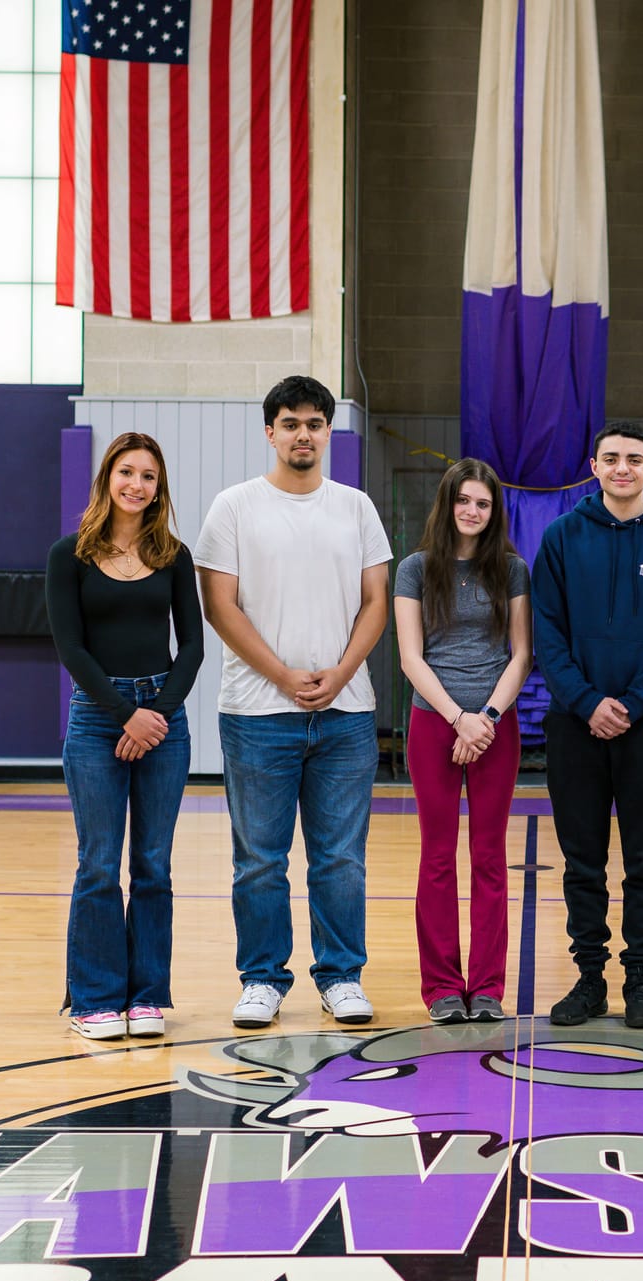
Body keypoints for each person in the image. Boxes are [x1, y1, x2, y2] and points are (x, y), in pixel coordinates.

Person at [196, 376, 391, 1029]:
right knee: (259, 858)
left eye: (314, 422)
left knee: (340, 856)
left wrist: (340, 673)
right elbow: (218, 605)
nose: (302, 433)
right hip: (256, 714)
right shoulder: (233, 507)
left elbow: (376, 601)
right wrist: (283, 674)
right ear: (270, 431)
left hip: (345, 711)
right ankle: (261, 979)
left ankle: (341, 977)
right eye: (290, 422)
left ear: (327, 432)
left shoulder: (356, 507)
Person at [533, 421, 643, 1028]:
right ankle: (587, 980)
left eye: (634, 459)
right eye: (611, 458)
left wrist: (631, 703)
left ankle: (639, 980)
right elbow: (546, 635)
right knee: (582, 861)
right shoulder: (560, 538)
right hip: (575, 726)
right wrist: (586, 702)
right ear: (594, 465)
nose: (622, 468)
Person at [46, 431, 203, 1041]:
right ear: (107, 478)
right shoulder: (71, 556)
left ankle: (146, 996)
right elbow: (71, 648)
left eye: (149, 477)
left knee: (154, 866)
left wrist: (157, 713)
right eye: (127, 472)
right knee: (97, 865)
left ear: (159, 489)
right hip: (97, 719)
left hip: (163, 719)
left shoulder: (173, 555)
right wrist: (125, 714)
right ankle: (93, 999)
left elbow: (191, 644)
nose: (137, 485)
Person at [395, 459, 532, 1023]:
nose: (472, 511)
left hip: (496, 728)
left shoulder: (513, 570)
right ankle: (443, 988)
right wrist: (459, 720)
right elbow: (409, 656)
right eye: (464, 500)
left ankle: (489, 987)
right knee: (436, 857)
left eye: (483, 503)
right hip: (435, 723)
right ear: (447, 503)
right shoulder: (415, 569)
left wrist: (489, 718)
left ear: (494, 511)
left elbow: (521, 653)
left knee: (490, 858)